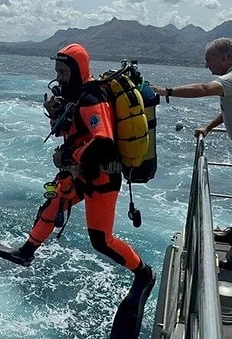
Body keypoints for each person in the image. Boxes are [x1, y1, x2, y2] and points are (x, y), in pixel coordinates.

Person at [11, 43, 155, 290]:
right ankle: (26, 252)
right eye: (57, 72)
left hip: (101, 178)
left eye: (63, 72)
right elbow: (73, 131)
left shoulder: (91, 99)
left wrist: (68, 156)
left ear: (77, 71)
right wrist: (55, 116)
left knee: (102, 241)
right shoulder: (74, 96)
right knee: (51, 204)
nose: (58, 77)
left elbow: (104, 143)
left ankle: (144, 273)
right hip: (80, 174)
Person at [152, 37, 232, 271]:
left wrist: (166, 91)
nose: (207, 66)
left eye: (209, 60)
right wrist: (208, 126)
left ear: (224, 58)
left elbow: (205, 89)